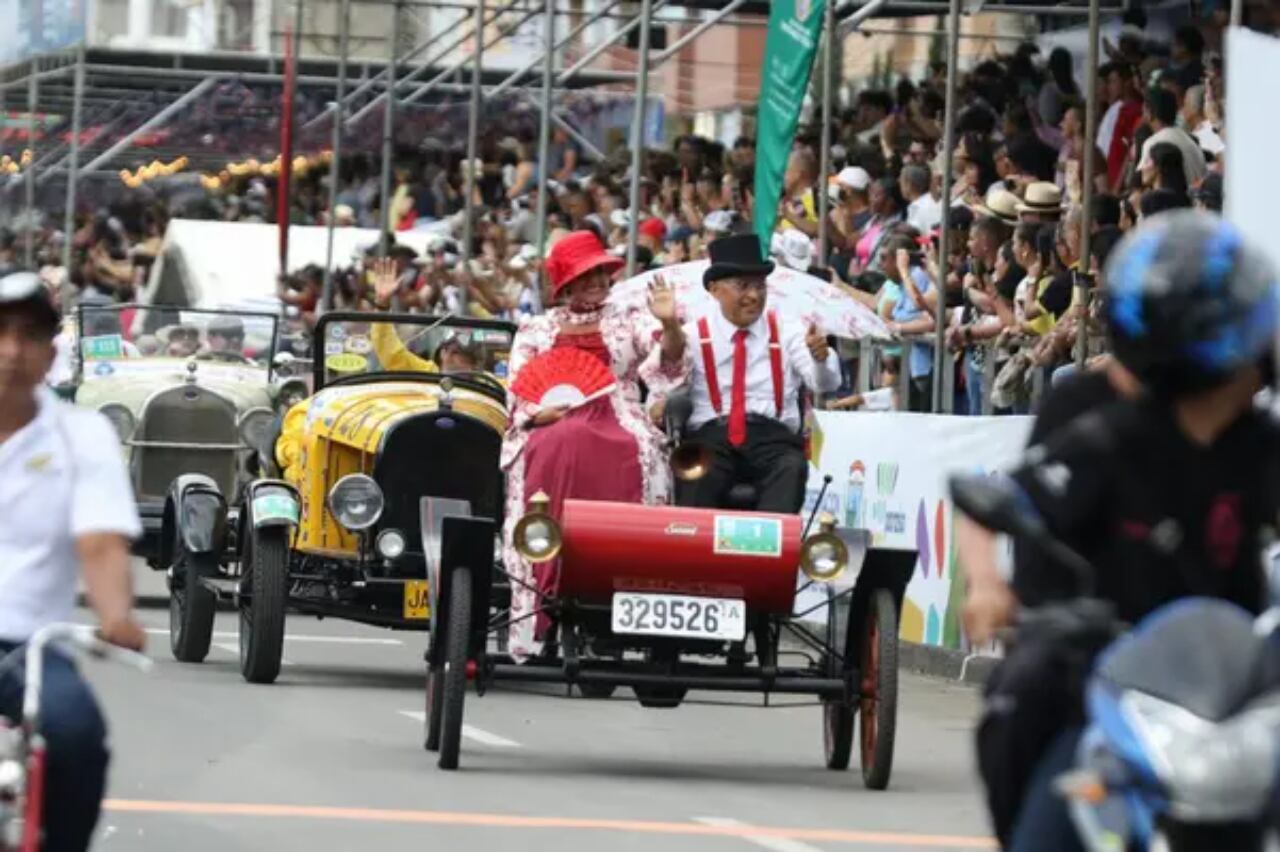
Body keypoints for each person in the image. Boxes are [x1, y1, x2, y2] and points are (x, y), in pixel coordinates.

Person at [956, 211, 1280, 851]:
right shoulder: (1105, 434)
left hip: (1232, 690)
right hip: (1102, 679)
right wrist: (988, 587)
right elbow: (999, 498)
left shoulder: (1259, 446)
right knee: (1023, 710)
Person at [0, 271, 145, 852]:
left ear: (50, 352)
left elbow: (101, 541)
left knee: (78, 734)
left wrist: (117, 618)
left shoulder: (82, 435)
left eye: (29, 335)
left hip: (31, 650)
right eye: (0, 333)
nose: (11, 351)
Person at [502, 231, 684, 658]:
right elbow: (519, 388)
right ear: (566, 284)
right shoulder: (536, 329)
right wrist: (536, 413)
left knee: (642, 453)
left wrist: (671, 324)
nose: (599, 281)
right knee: (548, 447)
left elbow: (667, 361)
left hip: (618, 414)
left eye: (602, 273)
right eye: (588, 275)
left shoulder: (629, 318)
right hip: (553, 418)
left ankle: (624, 594)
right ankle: (541, 583)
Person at [676, 234, 840, 513]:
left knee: (791, 467)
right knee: (696, 473)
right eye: (742, 286)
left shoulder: (788, 330)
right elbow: (667, 380)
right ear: (715, 289)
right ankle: (694, 553)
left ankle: (770, 553)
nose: (754, 295)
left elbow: (825, 383)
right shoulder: (692, 335)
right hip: (712, 435)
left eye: (760, 285)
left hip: (772, 437)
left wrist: (821, 359)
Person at [1137, 86, 1208, 188]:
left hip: (1170, 203)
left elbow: (1142, 184)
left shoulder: (1153, 143)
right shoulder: (1190, 140)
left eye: (1143, 110)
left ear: (1150, 114)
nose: (1142, 115)